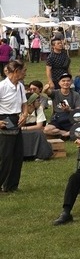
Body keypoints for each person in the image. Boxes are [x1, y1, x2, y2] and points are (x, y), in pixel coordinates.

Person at [0, 60, 29, 194]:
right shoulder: (2, 86)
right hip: (4, 120)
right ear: (16, 71)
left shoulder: (21, 86)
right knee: (5, 156)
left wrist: (25, 114)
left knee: (17, 154)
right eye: (24, 70)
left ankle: (11, 185)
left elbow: (24, 103)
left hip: (16, 119)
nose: (25, 73)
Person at [45, 73, 80, 138]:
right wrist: (46, 88)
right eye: (63, 81)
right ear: (59, 83)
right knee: (46, 130)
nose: (66, 82)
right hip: (58, 118)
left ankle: (65, 134)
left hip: (71, 118)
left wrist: (69, 109)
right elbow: (47, 92)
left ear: (71, 82)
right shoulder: (55, 93)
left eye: (68, 81)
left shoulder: (75, 94)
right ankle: (66, 133)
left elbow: (78, 111)